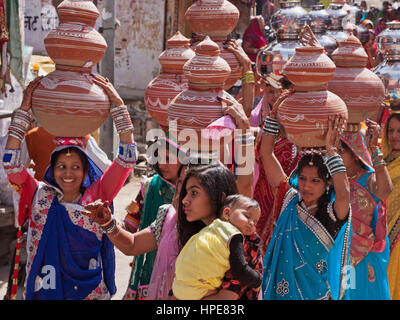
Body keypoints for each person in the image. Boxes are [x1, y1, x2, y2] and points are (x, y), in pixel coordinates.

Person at [2, 74, 137, 300]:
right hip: (46, 289)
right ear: (51, 171)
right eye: (61, 166)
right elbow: (11, 163)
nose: (68, 173)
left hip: (89, 291)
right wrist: (24, 111)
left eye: (76, 167)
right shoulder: (38, 194)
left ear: (86, 171)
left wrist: (119, 107)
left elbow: (126, 161)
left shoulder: (98, 194)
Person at [260, 91, 352, 300]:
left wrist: (331, 151)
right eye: (302, 179)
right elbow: (266, 153)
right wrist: (273, 118)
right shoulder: (290, 200)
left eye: (315, 181)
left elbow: (344, 193)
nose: (306, 186)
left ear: (327, 183)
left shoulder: (332, 212)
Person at [122, 137, 186, 300]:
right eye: (158, 157)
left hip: (184, 267)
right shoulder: (150, 186)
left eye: (168, 158)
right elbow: (131, 223)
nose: (162, 164)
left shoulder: (195, 190)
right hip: (149, 269)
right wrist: (113, 227)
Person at [171, 193, 262, 300]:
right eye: (247, 216)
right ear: (227, 213)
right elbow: (240, 270)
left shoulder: (212, 227)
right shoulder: (234, 235)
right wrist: (257, 279)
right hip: (199, 291)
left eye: (255, 222)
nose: (251, 223)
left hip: (178, 287)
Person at [339, 124, 392, 300]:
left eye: (341, 151)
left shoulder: (368, 178)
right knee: (347, 294)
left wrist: (375, 150)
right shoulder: (334, 181)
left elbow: (385, 191)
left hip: (367, 256)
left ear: (354, 153)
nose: (336, 156)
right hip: (343, 256)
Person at [383, 112, 400, 299]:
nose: (394, 135)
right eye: (390, 130)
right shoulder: (383, 160)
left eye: (399, 131)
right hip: (380, 230)